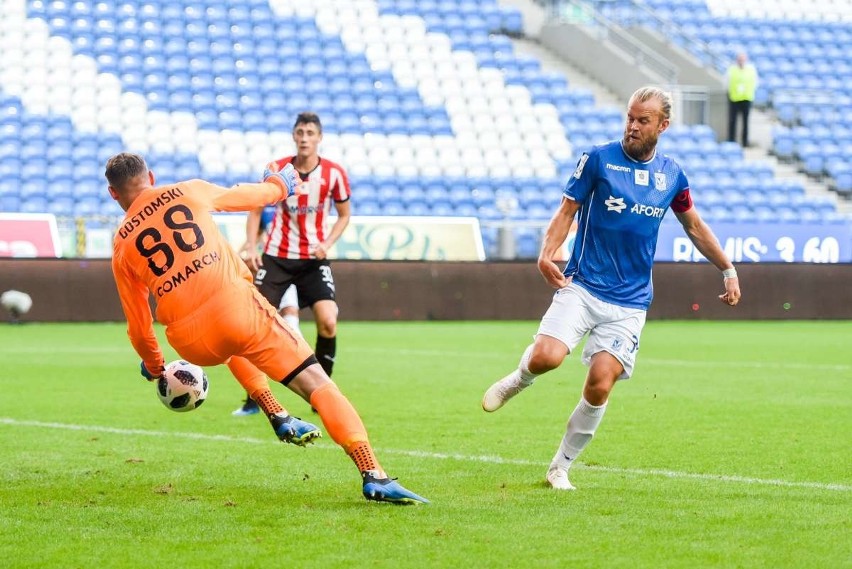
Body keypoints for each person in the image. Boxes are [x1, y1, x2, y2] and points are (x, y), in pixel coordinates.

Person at [106, 152, 428, 504]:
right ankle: (373, 474)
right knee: (318, 384)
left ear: (113, 194)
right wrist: (279, 185)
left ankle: (277, 413)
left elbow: (138, 328)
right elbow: (249, 197)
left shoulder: (121, 244)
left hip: (190, 342)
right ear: (151, 176)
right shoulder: (186, 191)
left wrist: (154, 367)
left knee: (231, 347)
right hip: (237, 309)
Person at [481, 86, 741, 491]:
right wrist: (547, 253)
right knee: (548, 357)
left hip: (630, 302)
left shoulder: (672, 175)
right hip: (583, 284)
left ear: (663, 125)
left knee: (601, 382)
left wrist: (727, 268)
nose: (633, 127)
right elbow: (567, 210)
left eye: (643, 121)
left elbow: (694, 226)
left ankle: (560, 467)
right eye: (630, 118)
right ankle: (520, 377)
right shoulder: (598, 159)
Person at [241, 112, 350, 405]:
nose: (304, 138)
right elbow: (255, 209)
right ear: (293, 135)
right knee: (255, 326)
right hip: (276, 257)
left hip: (313, 259)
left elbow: (344, 215)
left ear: (319, 137)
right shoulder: (277, 169)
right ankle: (255, 398)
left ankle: (325, 395)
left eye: (310, 133)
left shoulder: (334, 174)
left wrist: (327, 243)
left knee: (328, 320)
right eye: (300, 132)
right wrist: (251, 247)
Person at [232, 206, 302, 417]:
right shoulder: (262, 208)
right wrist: (243, 251)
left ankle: (309, 382)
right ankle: (254, 399)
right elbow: (257, 233)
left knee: (292, 325)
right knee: (255, 329)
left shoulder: (294, 202)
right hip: (268, 267)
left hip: (286, 265)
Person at [726, 51, 758, 147]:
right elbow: (727, 82)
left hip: (746, 98)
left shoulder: (751, 70)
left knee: (745, 122)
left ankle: (744, 142)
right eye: (739, 59)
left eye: (742, 59)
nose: (741, 61)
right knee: (732, 121)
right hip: (734, 98)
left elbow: (755, 82)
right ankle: (731, 140)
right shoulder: (731, 69)